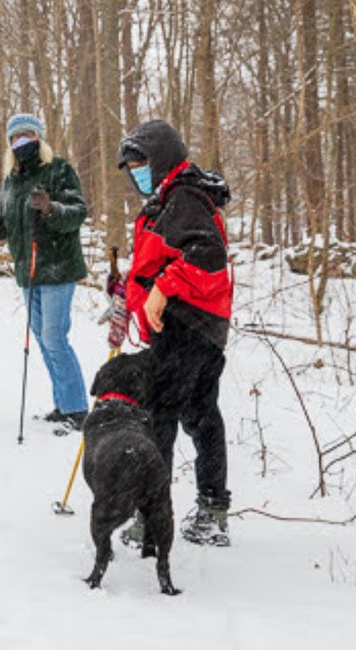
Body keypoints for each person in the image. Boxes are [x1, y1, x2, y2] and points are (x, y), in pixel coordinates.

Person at [117, 119, 233, 546]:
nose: (135, 172)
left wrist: (162, 288)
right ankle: (212, 509)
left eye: (141, 162)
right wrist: (131, 295)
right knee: (202, 416)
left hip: (187, 327)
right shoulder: (169, 199)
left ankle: (152, 518)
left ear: (163, 157)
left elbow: (208, 256)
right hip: (202, 328)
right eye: (130, 166)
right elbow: (161, 261)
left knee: (158, 419)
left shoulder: (182, 196)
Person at [0, 113, 90, 431]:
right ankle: (62, 404)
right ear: (10, 143)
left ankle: (77, 409)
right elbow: (8, 229)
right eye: (16, 138)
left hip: (58, 268)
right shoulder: (11, 181)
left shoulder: (58, 170)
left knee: (55, 338)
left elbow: (77, 214)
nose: (22, 143)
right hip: (28, 273)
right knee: (43, 339)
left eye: (28, 136)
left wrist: (51, 209)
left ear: (39, 139)